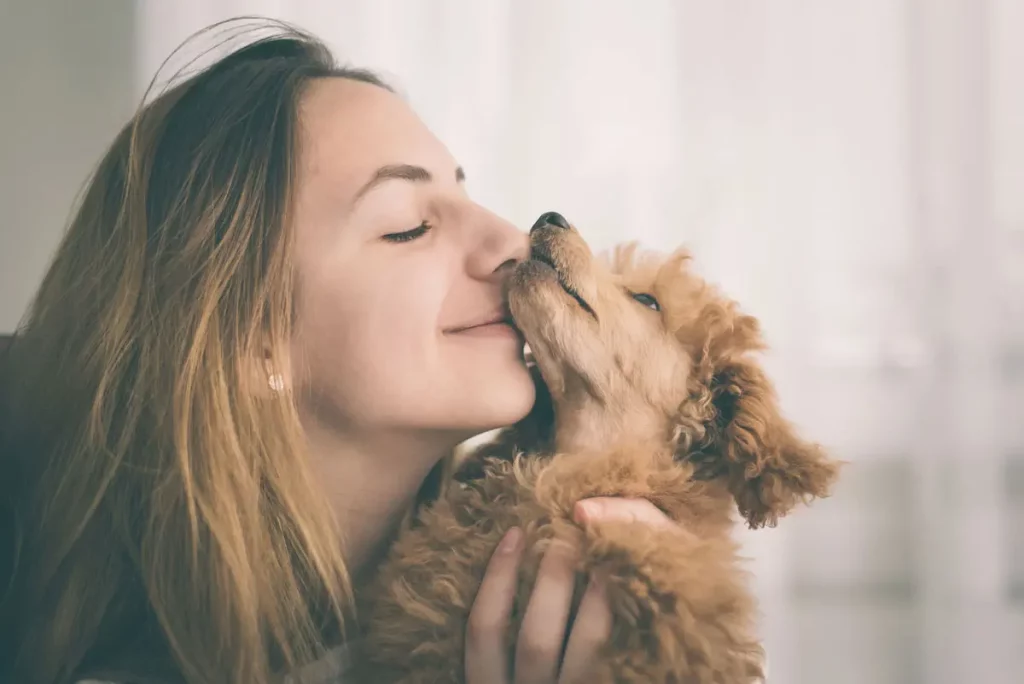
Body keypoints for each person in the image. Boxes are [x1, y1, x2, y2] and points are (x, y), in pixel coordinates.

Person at [0, 20, 680, 684]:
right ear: (252, 340)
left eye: (466, 191)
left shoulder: (590, 586)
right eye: (408, 227)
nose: (509, 238)